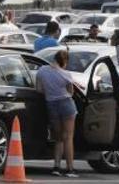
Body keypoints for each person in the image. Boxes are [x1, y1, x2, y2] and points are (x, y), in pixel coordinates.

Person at [36, 50, 78, 178]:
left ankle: (56, 167)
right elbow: (71, 92)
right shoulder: (66, 74)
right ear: (64, 61)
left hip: (51, 104)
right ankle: (70, 169)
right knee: (68, 137)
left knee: (58, 137)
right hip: (66, 104)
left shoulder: (42, 70)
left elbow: (39, 89)